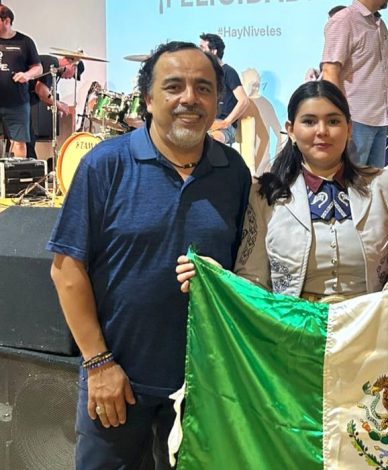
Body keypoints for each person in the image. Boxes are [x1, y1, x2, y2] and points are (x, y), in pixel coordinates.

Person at [48, 41, 251, 469]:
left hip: (205, 388)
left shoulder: (233, 172)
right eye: (173, 86)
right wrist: (99, 364)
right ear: (148, 99)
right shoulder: (106, 165)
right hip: (118, 386)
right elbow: (67, 271)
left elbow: (239, 273)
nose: (189, 99)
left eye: (203, 88)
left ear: (217, 100)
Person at [177, 79, 388, 302]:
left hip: (368, 329)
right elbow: (254, 281)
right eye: (309, 121)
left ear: (349, 129)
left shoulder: (383, 186)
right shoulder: (265, 194)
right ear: (292, 131)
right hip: (294, 332)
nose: (322, 131)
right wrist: (219, 279)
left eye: (334, 121)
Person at [321, 0, 388, 168]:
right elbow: (330, 71)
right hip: (355, 120)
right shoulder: (344, 20)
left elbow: (384, 71)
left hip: (380, 121)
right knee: (350, 183)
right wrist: (340, 118)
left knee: (372, 185)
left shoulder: (380, 24)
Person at [0, 5, 42, 158]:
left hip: (17, 102)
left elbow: (38, 67)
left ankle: (18, 180)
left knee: (19, 142)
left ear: (6, 21)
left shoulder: (24, 41)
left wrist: (27, 75)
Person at [28, 54, 84, 159]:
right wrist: (59, 105)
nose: (69, 78)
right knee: (27, 141)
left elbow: (43, 95)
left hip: (21, 103)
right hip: (17, 103)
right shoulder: (51, 63)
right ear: (72, 65)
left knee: (28, 140)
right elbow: (40, 89)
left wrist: (56, 104)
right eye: (72, 75)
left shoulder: (50, 63)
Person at [199, 33, 250, 145]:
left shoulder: (228, 72)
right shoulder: (204, 74)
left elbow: (244, 100)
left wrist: (227, 121)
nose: (199, 52)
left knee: (212, 142)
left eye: (202, 48)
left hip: (223, 126)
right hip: (204, 124)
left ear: (214, 51)